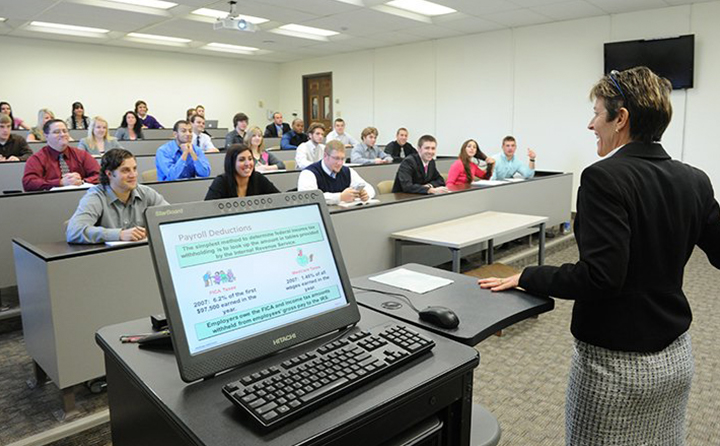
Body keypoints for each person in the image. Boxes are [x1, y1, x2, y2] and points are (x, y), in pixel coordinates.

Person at [479, 67, 720, 445]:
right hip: (676, 359)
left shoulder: (602, 178)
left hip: (615, 369)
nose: (591, 124)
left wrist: (530, 276)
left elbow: (601, 277)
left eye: (596, 113)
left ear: (620, 118)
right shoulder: (695, 179)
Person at [66, 149, 168, 243]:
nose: (133, 175)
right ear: (109, 174)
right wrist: (119, 234)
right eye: (125, 170)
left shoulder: (146, 193)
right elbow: (74, 231)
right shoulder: (95, 197)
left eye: (134, 169)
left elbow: (172, 217)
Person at [22, 119, 100, 191]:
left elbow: (100, 175)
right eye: (56, 132)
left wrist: (82, 182)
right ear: (46, 136)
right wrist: (60, 183)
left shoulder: (82, 155)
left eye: (65, 131)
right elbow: (29, 183)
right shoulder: (37, 159)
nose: (62, 134)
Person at [297, 140, 375, 205]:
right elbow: (309, 198)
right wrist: (340, 197)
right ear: (325, 156)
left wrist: (366, 194)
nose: (340, 163)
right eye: (336, 158)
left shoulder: (347, 171)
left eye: (342, 159)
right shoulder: (309, 173)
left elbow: (370, 188)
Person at [205, 144, 280, 200]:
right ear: (231, 163)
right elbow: (208, 209)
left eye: (250, 159)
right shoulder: (221, 182)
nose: (248, 164)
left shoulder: (258, 178)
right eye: (242, 160)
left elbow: (278, 198)